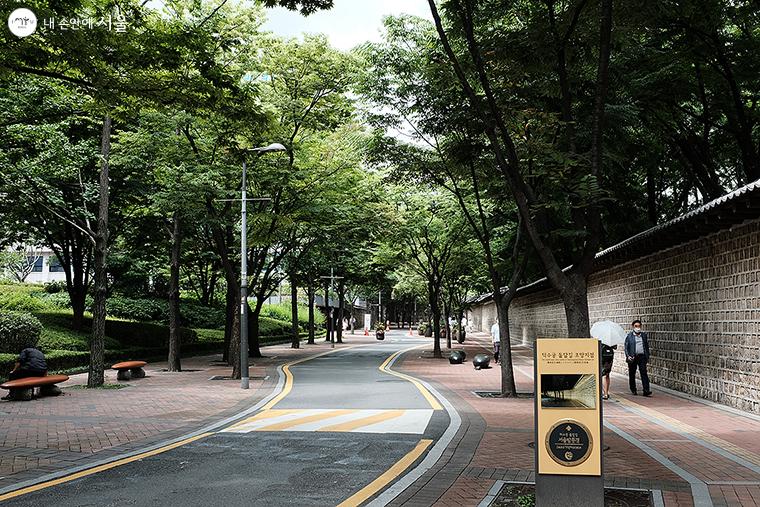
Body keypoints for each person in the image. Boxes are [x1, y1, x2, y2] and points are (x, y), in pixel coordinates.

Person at [624, 320, 652, 397]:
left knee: (644, 373)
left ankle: (646, 390)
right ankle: (633, 389)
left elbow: (646, 346)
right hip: (633, 357)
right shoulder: (629, 336)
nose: (638, 328)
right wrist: (628, 356)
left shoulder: (643, 335)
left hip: (642, 357)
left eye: (639, 326)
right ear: (633, 327)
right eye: (636, 326)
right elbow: (626, 347)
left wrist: (647, 356)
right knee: (632, 373)